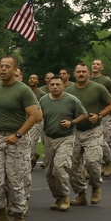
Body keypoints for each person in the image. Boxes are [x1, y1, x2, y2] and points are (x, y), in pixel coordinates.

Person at [0, 55, 41, 221]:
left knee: (15, 181)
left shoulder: (23, 90)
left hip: (17, 140)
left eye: (8, 66)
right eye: (1, 66)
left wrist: (18, 134)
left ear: (15, 70)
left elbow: (34, 116)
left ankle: (18, 219)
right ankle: (0, 216)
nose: (3, 69)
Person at [65, 62, 111, 206]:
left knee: (93, 161)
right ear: (74, 74)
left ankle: (96, 187)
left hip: (93, 130)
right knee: (73, 166)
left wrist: (99, 115)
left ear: (88, 74)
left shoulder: (98, 88)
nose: (81, 74)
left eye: (83, 72)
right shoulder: (69, 90)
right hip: (74, 132)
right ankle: (80, 194)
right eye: (78, 72)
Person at [37, 77, 87, 211]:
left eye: (58, 84)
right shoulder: (43, 100)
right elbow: (38, 116)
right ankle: (58, 197)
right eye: (52, 84)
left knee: (59, 167)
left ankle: (65, 196)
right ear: (48, 86)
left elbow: (84, 115)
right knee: (49, 171)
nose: (55, 86)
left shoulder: (72, 100)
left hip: (66, 138)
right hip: (48, 138)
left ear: (63, 86)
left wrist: (72, 122)